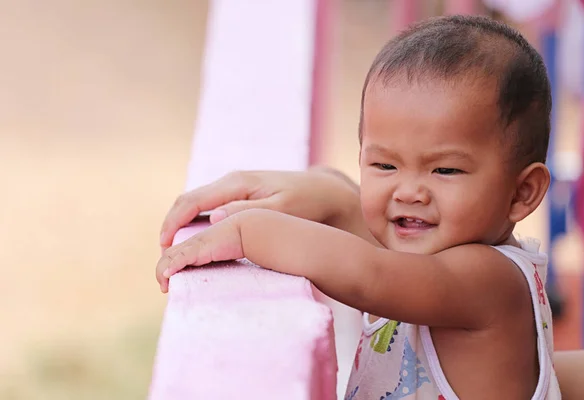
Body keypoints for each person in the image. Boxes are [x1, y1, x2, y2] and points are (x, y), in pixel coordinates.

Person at [156, 15, 561, 399]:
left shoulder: (488, 280)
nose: (409, 192)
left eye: (445, 170)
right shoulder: (436, 255)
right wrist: (326, 187)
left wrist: (248, 232)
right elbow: (371, 238)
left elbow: (370, 274)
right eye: (385, 165)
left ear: (522, 192)